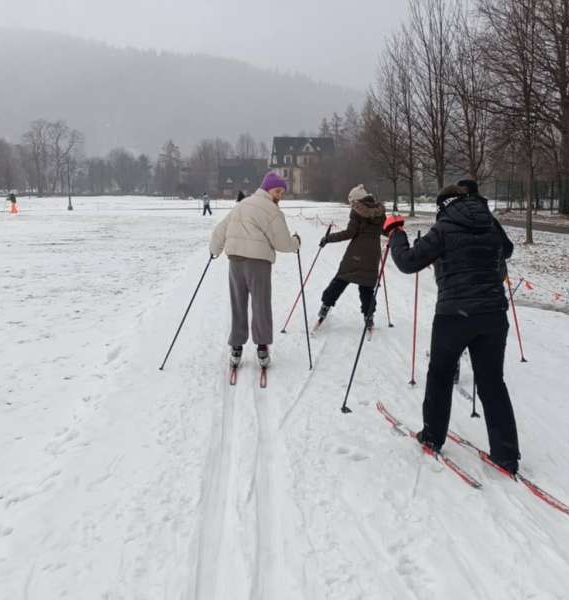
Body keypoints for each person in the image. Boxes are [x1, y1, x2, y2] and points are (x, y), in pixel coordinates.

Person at [384, 179, 522, 474]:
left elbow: (408, 262)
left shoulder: (444, 228)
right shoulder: (490, 223)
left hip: (454, 315)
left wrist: (396, 234)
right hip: (494, 314)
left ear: (443, 206)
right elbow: (507, 251)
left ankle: (433, 437)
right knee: (492, 382)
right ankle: (507, 455)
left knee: (441, 375)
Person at [209, 172, 301, 367]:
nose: (280, 196)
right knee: (261, 304)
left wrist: (214, 250)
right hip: (257, 263)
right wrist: (296, 242)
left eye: (282, 192)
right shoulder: (271, 210)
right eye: (278, 191)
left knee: (238, 303)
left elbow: (220, 230)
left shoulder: (243, 204)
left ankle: (236, 347)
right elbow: (283, 243)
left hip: (235, 261)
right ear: (268, 189)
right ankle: (261, 348)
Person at [315, 184, 386, 330]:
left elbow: (349, 233)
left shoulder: (357, 211)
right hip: (373, 255)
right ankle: (369, 315)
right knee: (366, 286)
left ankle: (325, 305)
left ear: (356, 200)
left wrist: (328, 238)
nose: (351, 205)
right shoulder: (379, 212)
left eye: (351, 202)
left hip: (356, 254)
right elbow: (385, 230)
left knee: (341, 279)